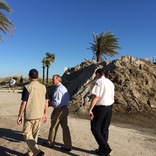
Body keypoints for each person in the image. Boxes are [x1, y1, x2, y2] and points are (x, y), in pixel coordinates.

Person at [17, 69, 48, 156]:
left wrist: (19, 115)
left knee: (26, 134)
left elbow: (24, 103)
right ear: (37, 77)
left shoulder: (27, 87)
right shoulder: (43, 87)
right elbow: (46, 101)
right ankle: (31, 153)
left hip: (30, 114)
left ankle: (37, 152)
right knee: (34, 135)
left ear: (29, 76)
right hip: (39, 114)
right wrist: (45, 113)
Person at [88, 68, 115, 156]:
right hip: (109, 108)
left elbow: (96, 97)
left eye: (96, 75)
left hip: (100, 108)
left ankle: (105, 147)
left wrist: (90, 109)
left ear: (98, 74)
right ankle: (102, 150)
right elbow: (113, 96)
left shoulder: (98, 82)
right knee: (104, 128)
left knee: (94, 128)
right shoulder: (110, 83)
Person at [43, 74, 72, 151]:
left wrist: (48, 104)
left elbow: (56, 102)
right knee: (65, 127)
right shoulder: (63, 88)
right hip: (65, 109)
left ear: (57, 80)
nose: (52, 80)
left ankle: (50, 143)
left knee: (53, 126)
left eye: (53, 79)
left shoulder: (58, 89)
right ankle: (68, 145)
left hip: (59, 110)